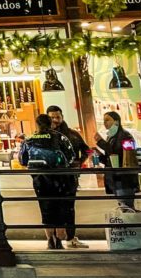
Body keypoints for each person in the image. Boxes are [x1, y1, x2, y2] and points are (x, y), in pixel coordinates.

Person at [20, 113, 76, 249]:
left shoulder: (29, 139)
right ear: (50, 123)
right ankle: (59, 238)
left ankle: (50, 239)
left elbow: (22, 160)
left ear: (37, 124)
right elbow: (71, 156)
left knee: (45, 207)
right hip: (59, 177)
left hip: (39, 179)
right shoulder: (59, 137)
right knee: (60, 206)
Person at [47, 105, 90, 248]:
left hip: (68, 176)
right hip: (52, 178)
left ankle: (70, 237)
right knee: (54, 208)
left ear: (62, 117)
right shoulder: (45, 136)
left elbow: (87, 150)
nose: (55, 120)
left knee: (68, 207)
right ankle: (56, 239)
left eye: (57, 117)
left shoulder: (72, 134)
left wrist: (78, 163)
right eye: (52, 117)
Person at [94, 110, 140, 209]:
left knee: (126, 205)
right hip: (115, 178)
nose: (105, 123)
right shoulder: (110, 138)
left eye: (107, 120)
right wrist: (97, 154)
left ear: (116, 121)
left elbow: (120, 154)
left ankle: (129, 223)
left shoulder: (125, 136)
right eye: (104, 120)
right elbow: (109, 158)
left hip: (124, 178)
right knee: (122, 205)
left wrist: (101, 142)